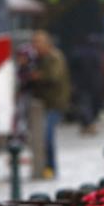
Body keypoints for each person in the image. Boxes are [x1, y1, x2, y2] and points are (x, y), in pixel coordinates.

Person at [30, 30, 71, 179]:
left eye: (38, 42)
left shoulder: (54, 57)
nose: (35, 46)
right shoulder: (39, 58)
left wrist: (38, 76)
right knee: (42, 136)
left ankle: (50, 167)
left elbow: (53, 76)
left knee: (47, 135)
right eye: (34, 42)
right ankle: (46, 166)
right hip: (43, 104)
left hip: (55, 103)